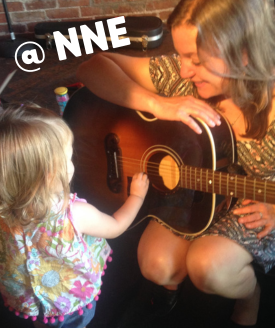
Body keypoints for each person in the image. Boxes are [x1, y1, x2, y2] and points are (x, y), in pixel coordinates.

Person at [76, 0, 275, 326]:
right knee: (155, 265)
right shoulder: (184, 80)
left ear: (244, 54)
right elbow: (92, 67)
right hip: (196, 184)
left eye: (196, 60)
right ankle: (166, 298)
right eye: (180, 55)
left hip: (256, 200)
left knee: (208, 268)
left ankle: (250, 298)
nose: (183, 70)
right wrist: (158, 103)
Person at [0, 104, 149, 328]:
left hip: (30, 301)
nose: (73, 164)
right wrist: (136, 196)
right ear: (50, 174)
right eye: (68, 159)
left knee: (42, 321)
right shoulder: (74, 214)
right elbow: (117, 225)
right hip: (69, 305)